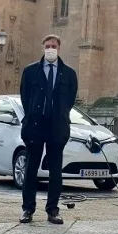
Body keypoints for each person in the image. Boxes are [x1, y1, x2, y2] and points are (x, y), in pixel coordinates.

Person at [18, 35, 78, 224]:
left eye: (53, 46)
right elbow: (25, 96)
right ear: (43, 47)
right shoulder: (30, 71)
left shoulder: (68, 73)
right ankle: (28, 208)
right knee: (30, 168)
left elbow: (70, 99)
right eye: (47, 46)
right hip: (35, 125)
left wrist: (60, 115)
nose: (50, 49)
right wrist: (33, 114)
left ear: (59, 48)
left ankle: (53, 209)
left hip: (57, 126)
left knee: (55, 171)